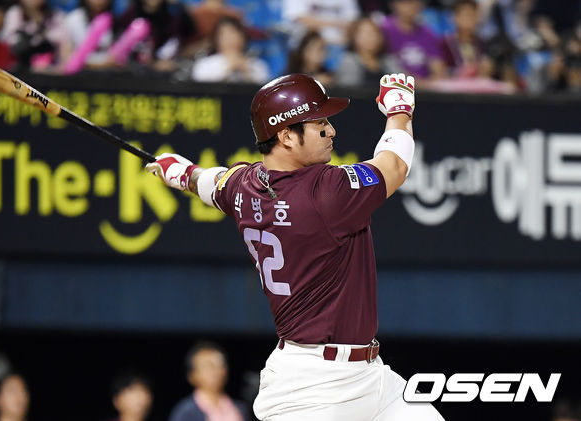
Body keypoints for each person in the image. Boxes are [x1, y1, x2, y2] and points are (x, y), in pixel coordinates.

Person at [146, 71, 445, 420]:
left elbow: (211, 183)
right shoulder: (326, 192)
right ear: (287, 135)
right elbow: (394, 165)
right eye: (319, 124)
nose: (331, 131)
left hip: (371, 377)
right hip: (311, 387)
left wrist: (182, 173)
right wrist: (399, 109)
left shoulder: (244, 184)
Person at [169, 342, 247, 421]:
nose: (215, 371)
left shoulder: (240, 408)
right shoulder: (185, 412)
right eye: (208, 366)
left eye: (219, 364)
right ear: (192, 376)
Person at [380, 0, 446, 80]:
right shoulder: (384, 30)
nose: (412, 5)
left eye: (415, 1)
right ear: (393, 5)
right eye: (406, 2)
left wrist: (431, 82)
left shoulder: (427, 32)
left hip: (427, 85)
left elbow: (438, 67)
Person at [191, 16, 269, 83]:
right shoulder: (204, 65)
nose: (229, 38)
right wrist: (228, 71)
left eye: (233, 33)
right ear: (216, 39)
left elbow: (263, 92)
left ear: (243, 37)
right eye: (224, 34)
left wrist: (247, 73)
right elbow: (201, 91)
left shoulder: (258, 66)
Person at [0, 0, 70, 71]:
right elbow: (7, 39)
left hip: (48, 66)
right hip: (20, 64)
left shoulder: (55, 14)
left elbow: (62, 39)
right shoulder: (15, 12)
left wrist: (43, 32)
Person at [336, 17, 395, 87]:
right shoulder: (349, 61)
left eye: (375, 32)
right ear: (354, 37)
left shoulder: (388, 61)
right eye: (366, 33)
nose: (372, 37)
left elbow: (403, 85)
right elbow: (348, 90)